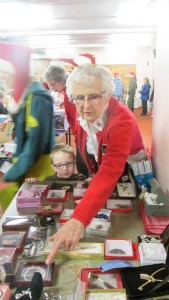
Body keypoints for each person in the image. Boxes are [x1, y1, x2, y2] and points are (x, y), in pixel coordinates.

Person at [45, 63, 145, 264]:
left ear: (108, 94)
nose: (85, 105)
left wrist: (79, 220)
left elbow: (110, 170)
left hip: (131, 172)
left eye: (93, 96)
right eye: (79, 97)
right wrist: (93, 173)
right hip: (106, 169)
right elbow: (89, 148)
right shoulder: (80, 112)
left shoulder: (121, 120)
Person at [0, 43, 55, 182]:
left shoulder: (37, 98)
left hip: (35, 168)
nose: (3, 79)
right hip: (26, 165)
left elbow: (35, 142)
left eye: (5, 75)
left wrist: (14, 173)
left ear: (16, 74)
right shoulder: (25, 97)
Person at [43, 63, 89, 177]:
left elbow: (80, 119)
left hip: (84, 136)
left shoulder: (72, 93)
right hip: (82, 135)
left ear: (60, 80)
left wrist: (79, 139)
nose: (52, 88)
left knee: (83, 164)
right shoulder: (69, 90)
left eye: (52, 84)